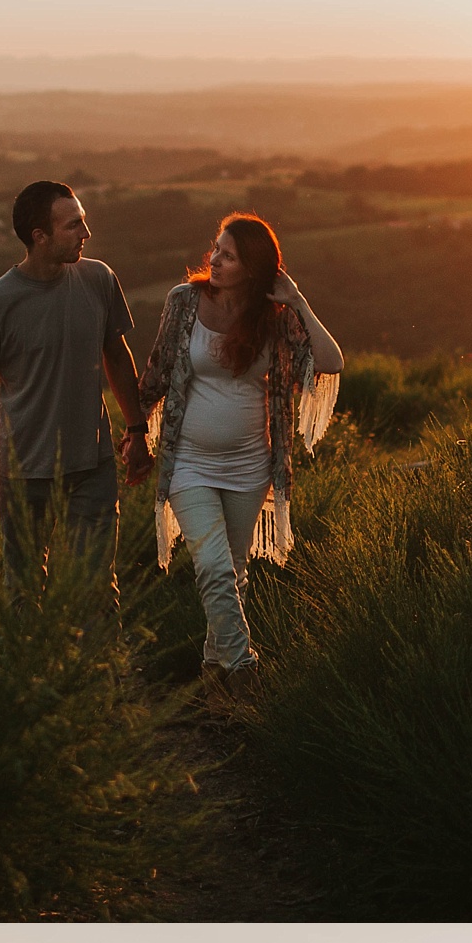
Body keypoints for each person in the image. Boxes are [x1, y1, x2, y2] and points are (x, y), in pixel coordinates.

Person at [144, 205, 343, 712]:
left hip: (251, 466)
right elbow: (159, 369)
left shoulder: (275, 318)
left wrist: (296, 299)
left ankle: (215, 684)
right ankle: (245, 670)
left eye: (228, 256)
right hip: (189, 461)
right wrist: (132, 432)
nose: (215, 259)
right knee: (213, 567)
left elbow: (331, 361)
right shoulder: (185, 302)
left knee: (231, 572)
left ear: (254, 269)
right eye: (216, 249)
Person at [0, 173, 150, 594]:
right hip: (25, 472)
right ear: (39, 236)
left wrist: (137, 432)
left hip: (91, 466)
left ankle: (100, 661)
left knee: (96, 587)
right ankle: (35, 662)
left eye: (83, 220)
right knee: (24, 589)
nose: (87, 233)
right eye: (74, 225)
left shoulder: (98, 279)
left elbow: (116, 355)